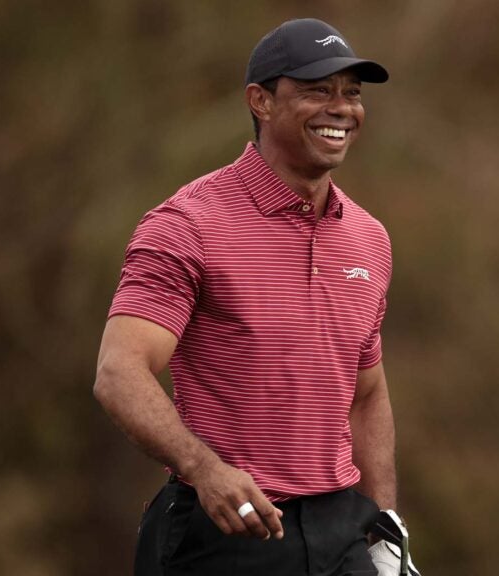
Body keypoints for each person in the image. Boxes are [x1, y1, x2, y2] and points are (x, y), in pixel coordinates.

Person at [94, 18, 403, 575]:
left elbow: (366, 394)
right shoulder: (188, 224)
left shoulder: (368, 237)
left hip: (340, 532)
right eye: (316, 90)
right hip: (226, 529)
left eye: (351, 94)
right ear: (260, 101)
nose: (342, 109)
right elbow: (120, 372)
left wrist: (383, 522)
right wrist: (205, 468)